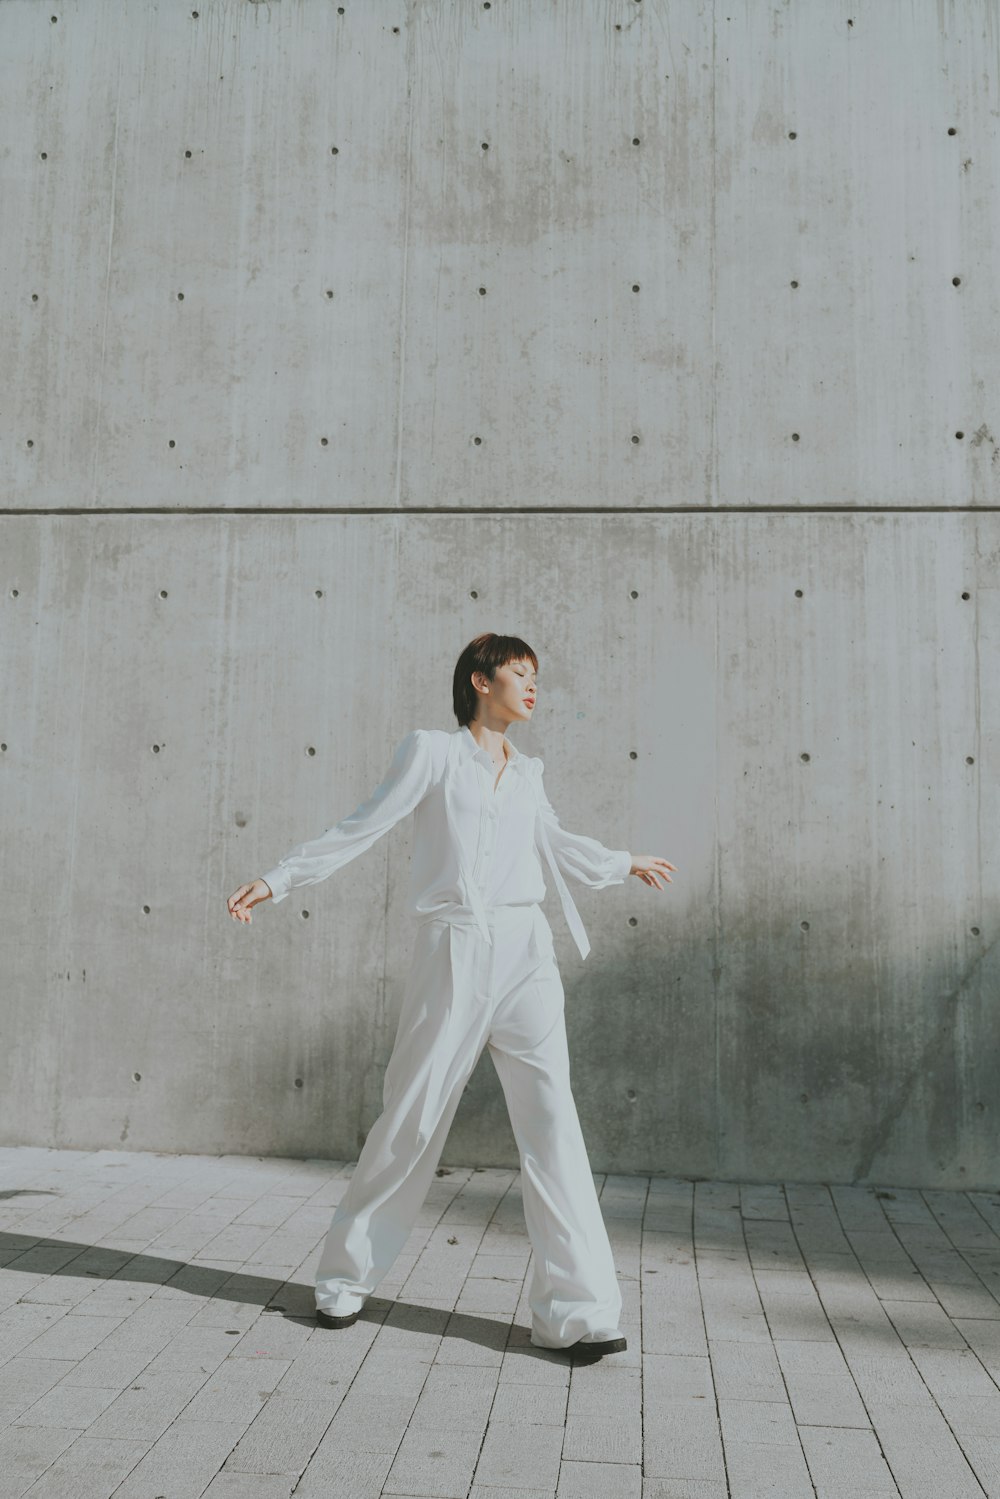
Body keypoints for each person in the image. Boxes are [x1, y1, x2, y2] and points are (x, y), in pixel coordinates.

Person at [227, 632, 677, 1361]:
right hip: (456, 947)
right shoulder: (432, 753)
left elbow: (555, 843)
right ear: (480, 680)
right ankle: (344, 1278)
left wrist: (624, 861)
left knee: (553, 1123)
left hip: (527, 951)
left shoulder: (527, 769)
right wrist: (281, 879)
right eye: (519, 674)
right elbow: (363, 824)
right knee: (413, 1115)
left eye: (537, 676)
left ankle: (578, 1310)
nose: (533, 687)